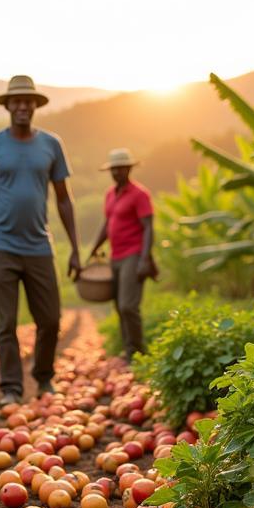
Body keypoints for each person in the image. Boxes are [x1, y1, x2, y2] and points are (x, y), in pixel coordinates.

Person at [0, 75, 80, 405]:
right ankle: (11, 388)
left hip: (39, 246)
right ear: (7, 106)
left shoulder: (51, 144)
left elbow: (63, 199)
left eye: (27, 102)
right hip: (1, 246)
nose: (21, 107)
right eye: (15, 101)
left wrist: (74, 248)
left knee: (50, 320)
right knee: (6, 324)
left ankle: (44, 378)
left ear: (35, 106)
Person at [88, 148, 155, 358]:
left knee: (128, 306)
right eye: (114, 169)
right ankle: (129, 350)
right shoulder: (110, 194)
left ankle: (138, 352)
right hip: (115, 256)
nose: (117, 172)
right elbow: (107, 223)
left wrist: (144, 258)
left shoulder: (140, 194)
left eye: (121, 168)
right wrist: (95, 247)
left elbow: (148, 228)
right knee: (119, 305)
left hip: (133, 255)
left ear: (129, 169)